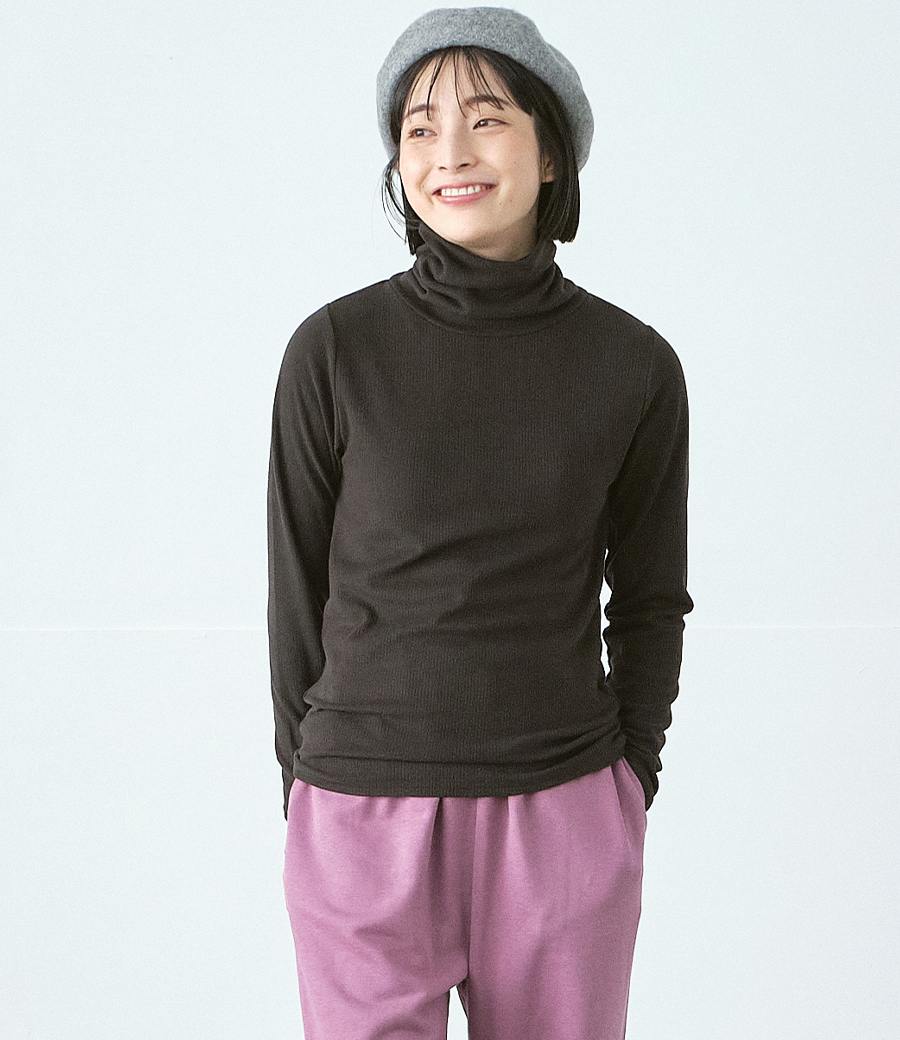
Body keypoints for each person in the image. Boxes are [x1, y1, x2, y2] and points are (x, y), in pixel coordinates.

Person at [267, 7, 693, 1038]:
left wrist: (629, 777)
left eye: (486, 119)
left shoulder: (634, 365)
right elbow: (295, 587)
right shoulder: (334, 350)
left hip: (562, 808)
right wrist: (306, 781)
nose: (449, 152)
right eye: (419, 128)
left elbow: (649, 599)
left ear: (551, 152)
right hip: (361, 808)